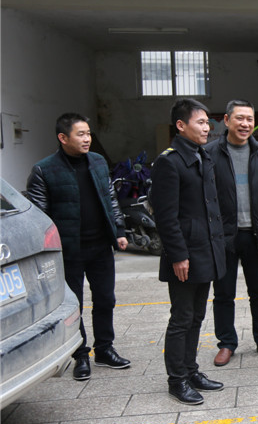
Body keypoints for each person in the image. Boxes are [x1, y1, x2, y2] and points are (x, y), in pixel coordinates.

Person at [26, 113, 131, 382]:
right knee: (74, 305)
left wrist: (118, 230)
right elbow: (39, 216)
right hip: (69, 251)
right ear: (63, 138)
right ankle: (80, 355)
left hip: (100, 246)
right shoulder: (44, 170)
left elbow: (110, 197)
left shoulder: (97, 161)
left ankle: (105, 349)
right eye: (80, 134)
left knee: (105, 299)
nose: (87, 139)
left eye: (88, 134)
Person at [150, 99, 226, 405]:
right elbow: (165, 216)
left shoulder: (201, 156)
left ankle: (191, 370)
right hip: (185, 253)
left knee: (196, 315)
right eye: (201, 122)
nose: (207, 128)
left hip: (205, 249)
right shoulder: (169, 162)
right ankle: (177, 379)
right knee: (181, 317)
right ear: (181, 126)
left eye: (208, 123)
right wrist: (178, 255)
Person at [206, 100, 258, 367]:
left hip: (255, 233)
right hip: (223, 236)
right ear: (227, 120)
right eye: (239, 118)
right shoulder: (210, 152)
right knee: (223, 293)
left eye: (250, 119)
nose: (245, 124)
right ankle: (226, 343)